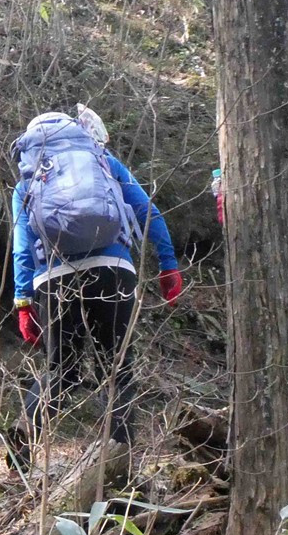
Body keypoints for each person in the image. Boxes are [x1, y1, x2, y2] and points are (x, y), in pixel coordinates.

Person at [11, 106, 182, 459]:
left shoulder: (27, 181)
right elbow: (147, 210)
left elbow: (22, 247)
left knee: (61, 370)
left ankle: (19, 449)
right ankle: (118, 464)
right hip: (113, 267)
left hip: (55, 278)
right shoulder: (103, 162)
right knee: (117, 368)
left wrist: (23, 301)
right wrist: (168, 264)